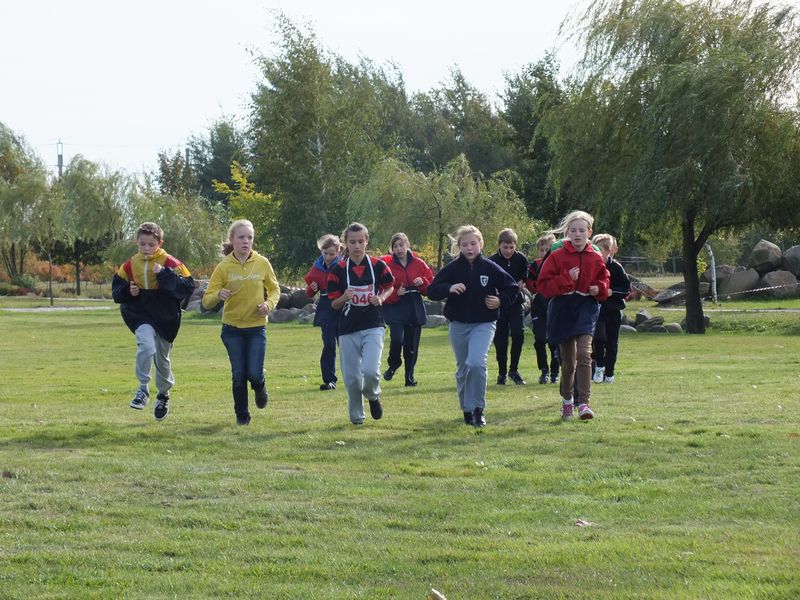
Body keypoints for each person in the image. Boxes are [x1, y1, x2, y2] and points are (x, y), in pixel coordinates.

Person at [427, 225, 519, 428]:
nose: (469, 248)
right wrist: (449, 288)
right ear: (458, 246)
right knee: (463, 369)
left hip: (484, 324)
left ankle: (478, 409)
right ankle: (466, 410)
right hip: (458, 324)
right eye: (465, 244)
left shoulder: (490, 267)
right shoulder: (452, 269)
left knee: (476, 363)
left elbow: (512, 288)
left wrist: (500, 300)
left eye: (473, 243)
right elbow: (432, 290)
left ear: (481, 244)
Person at [112, 222, 195, 421]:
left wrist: (164, 274)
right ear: (137, 243)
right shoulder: (130, 264)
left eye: (151, 244)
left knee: (162, 360)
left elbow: (187, 286)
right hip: (141, 313)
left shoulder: (170, 262)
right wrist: (128, 292)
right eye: (142, 244)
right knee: (146, 347)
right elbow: (117, 289)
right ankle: (142, 389)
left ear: (160, 242)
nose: (147, 248)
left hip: (165, 315)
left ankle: (163, 395)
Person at [202, 219, 280, 426]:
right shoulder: (223, 267)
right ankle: (242, 417)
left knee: (253, 373)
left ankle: (260, 384)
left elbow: (275, 290)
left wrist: (269, 305)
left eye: (250, 237)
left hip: (256, 328)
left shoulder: (262, 262)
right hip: (232, 329)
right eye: (241, 237)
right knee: (238, 374)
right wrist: (219, 294)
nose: (246, 241)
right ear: (232, 240)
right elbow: (207, 300)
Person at [536, 210, 609, 421]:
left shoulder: (595, 257)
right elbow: (543, 286)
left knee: (584, 354)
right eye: (573, 230)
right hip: (562, 308)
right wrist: (567, 278)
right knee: (568, 364)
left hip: (585, 307)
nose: (577, 234)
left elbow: (605, 281)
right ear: (567, 232)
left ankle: (584, 403)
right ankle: (567, 401)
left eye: (582, 230)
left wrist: (598, 288)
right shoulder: (557, 256)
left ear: (589, 232)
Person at [327, 223, 395, 425]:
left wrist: (381, 297)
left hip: (373, 324)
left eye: (360, 241)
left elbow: (390, 286)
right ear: (345, 244)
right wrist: (344, 298)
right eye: (352, 242)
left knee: (371, 371)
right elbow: (333, 303)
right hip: (347, 328)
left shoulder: (377, 265)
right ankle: (357, 418)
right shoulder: (338, 270)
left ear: (367, 241)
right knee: (352, 378)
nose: (357, 246)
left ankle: (373, 396)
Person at [380, 232, 434, 387]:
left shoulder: (419, 264)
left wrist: (422, 282)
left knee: (411, 347)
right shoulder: (388, 266)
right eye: (395, 246)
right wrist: (396, 293)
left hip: (414, 305)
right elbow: (382, 289)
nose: (398, 249)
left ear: (407, 245)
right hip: (395, 307)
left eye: (401, 245)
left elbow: (430, 287)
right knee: (397, 339)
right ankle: (394, 364)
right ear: (392, 249)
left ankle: (409, 378)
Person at [488, 228, 529, 385]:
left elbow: (524, 273)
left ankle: (514, 370)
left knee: (518, 334)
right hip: (499, 304)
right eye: (505, 247)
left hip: (516, 302)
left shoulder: (520, 258)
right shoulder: (491, 261)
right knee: (501, 339)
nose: (508, 250)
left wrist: (522, 281)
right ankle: (502, 372)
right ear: (499, 245)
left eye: (511, 247)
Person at [591, 234, 631, 384]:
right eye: (595, 250)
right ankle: (599, 366)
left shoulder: (616, 267)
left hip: (613, 310)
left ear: (609, 251)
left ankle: (609, 373)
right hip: (597, 310)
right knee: (599, 338)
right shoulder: (592, 266)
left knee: (612, 343)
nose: (598, 254)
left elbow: (626, 288)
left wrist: (612, 292)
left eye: (600, 250)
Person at [304, 234, 342, 391]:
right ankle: (329, 380)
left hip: (341, 306)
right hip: (325, 307)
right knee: (329, 344)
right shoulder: (317, 267)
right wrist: (312, 289)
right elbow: (309, 293)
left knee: (346, 345)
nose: (328, 257)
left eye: (332, 254)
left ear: (338, 252)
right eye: (325, 253)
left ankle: (355, 377)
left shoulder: (343, 266)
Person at [526, 233, 559, 385]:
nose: (545, 253)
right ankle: (543, 371)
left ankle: (554, 372)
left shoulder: (558, 264)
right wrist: (542, 286)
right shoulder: (535, 265)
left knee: (554, 341)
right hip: (539, 307)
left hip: (555, 306)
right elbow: (531, 285)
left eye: (548, 249)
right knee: (540, 339)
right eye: (542, 250)